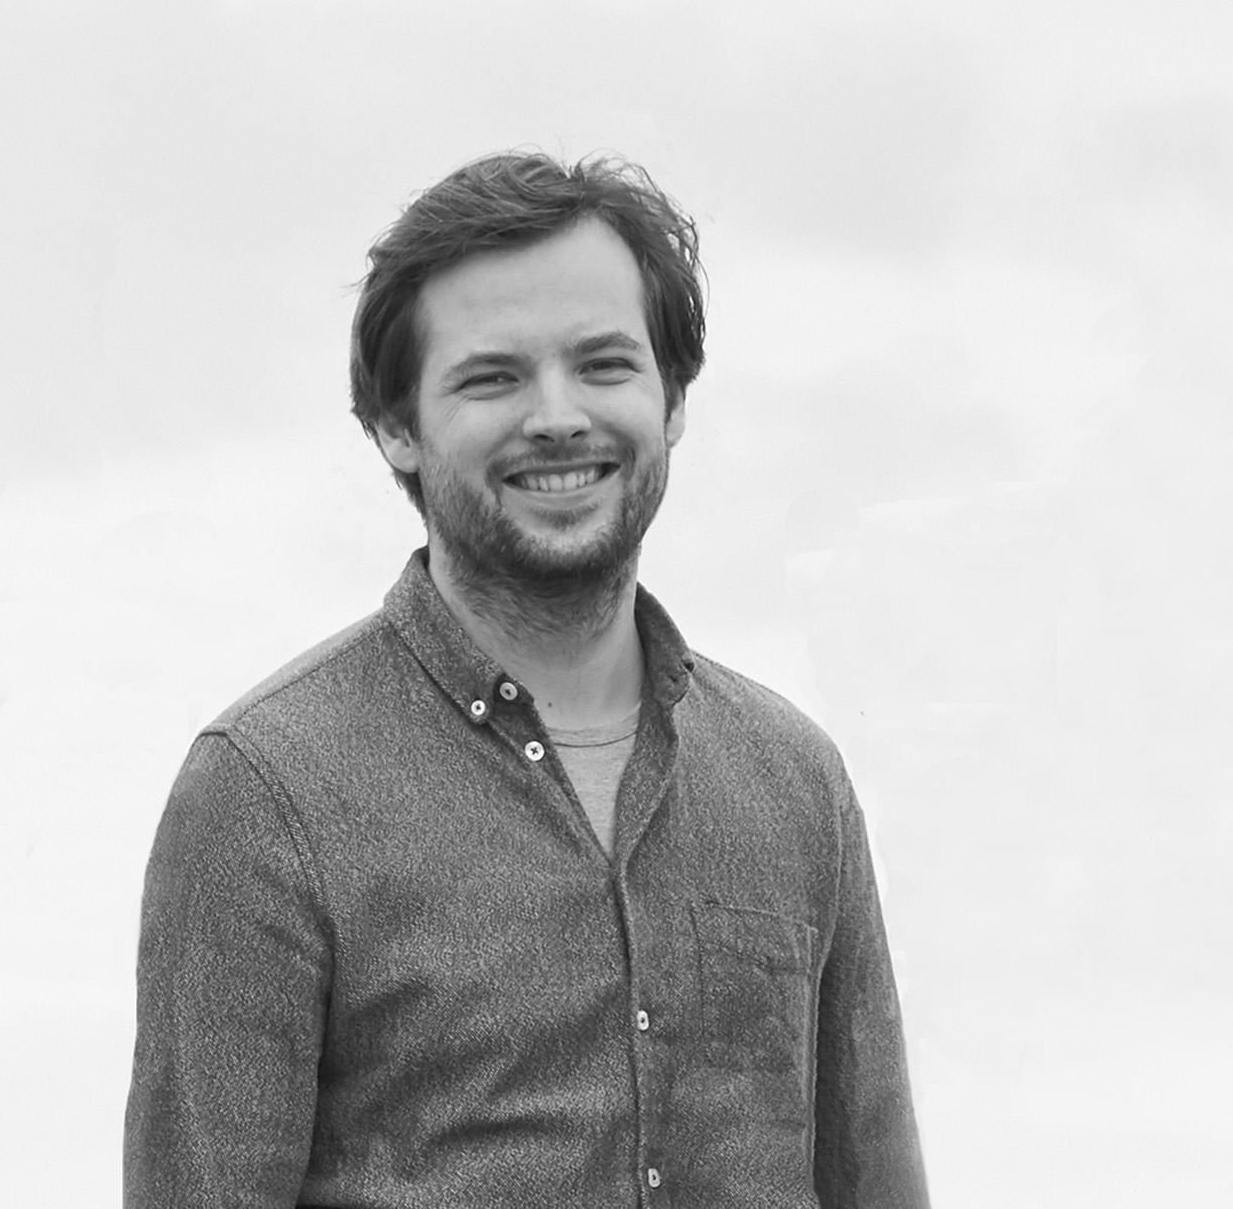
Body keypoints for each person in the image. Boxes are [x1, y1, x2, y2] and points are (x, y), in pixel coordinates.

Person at [123, 152, 930, 1207]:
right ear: (396, 427)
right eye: (492, 377)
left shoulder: (795, 780)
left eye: (603, 364)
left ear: (672, 399)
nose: (557, 416)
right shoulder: (266, 792)